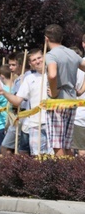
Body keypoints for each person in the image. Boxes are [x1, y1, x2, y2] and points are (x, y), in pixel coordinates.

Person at [0, 49, 49, 155]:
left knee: (54, 157)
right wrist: (4, 93)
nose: (37, 61)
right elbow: (17, 101)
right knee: (37, 156)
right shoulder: (28, 78)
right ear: (30, 63)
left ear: (44, 57)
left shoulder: (53, 73)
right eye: (34, 60)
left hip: (51, 122)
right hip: (35, 123)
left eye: (39, 58)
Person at [44, 24, 85, 157]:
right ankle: (72, 174)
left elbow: (52, 74)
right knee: (67, 144)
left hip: (58, 103)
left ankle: (62, 174)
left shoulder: (51, 55)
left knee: (57, 144)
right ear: (62, 38)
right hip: (72, 100)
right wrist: (80, 90)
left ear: (46, 39)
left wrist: (55, 92)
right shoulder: (72, 53)